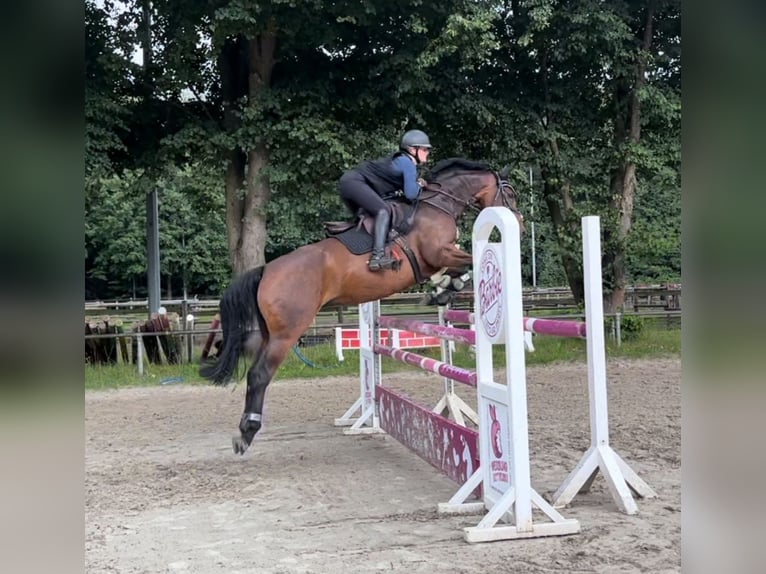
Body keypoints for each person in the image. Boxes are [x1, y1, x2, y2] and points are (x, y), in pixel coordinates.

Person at [338, 129, 432, 271]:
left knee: (369, 218)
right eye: (424, 149)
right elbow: (411, 194)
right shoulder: (407, 162)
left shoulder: (400, 161)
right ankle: (377, 256)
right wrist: (419, 184)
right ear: (413, 149)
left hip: (349, 183)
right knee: (383, 211)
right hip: (355, 182)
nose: (427, 152)